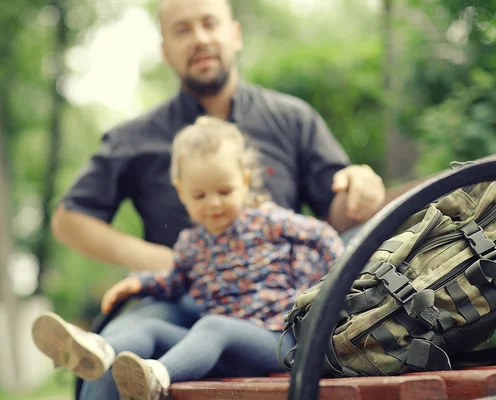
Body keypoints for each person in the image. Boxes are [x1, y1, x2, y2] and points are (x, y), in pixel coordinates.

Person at [33, 116, 345, 400]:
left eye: (225, 191)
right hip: (222, 351)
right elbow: (174, 282)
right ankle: (97, 352)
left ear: (245, 182)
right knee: (150, 331)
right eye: (200, 195)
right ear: (181, 192)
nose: (214, 203)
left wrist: (333, 290)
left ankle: (157, 377)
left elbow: (325, 237)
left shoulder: (268, 221)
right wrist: (138, 283)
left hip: (279, 340)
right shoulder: (191, 244)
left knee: (213, 326)